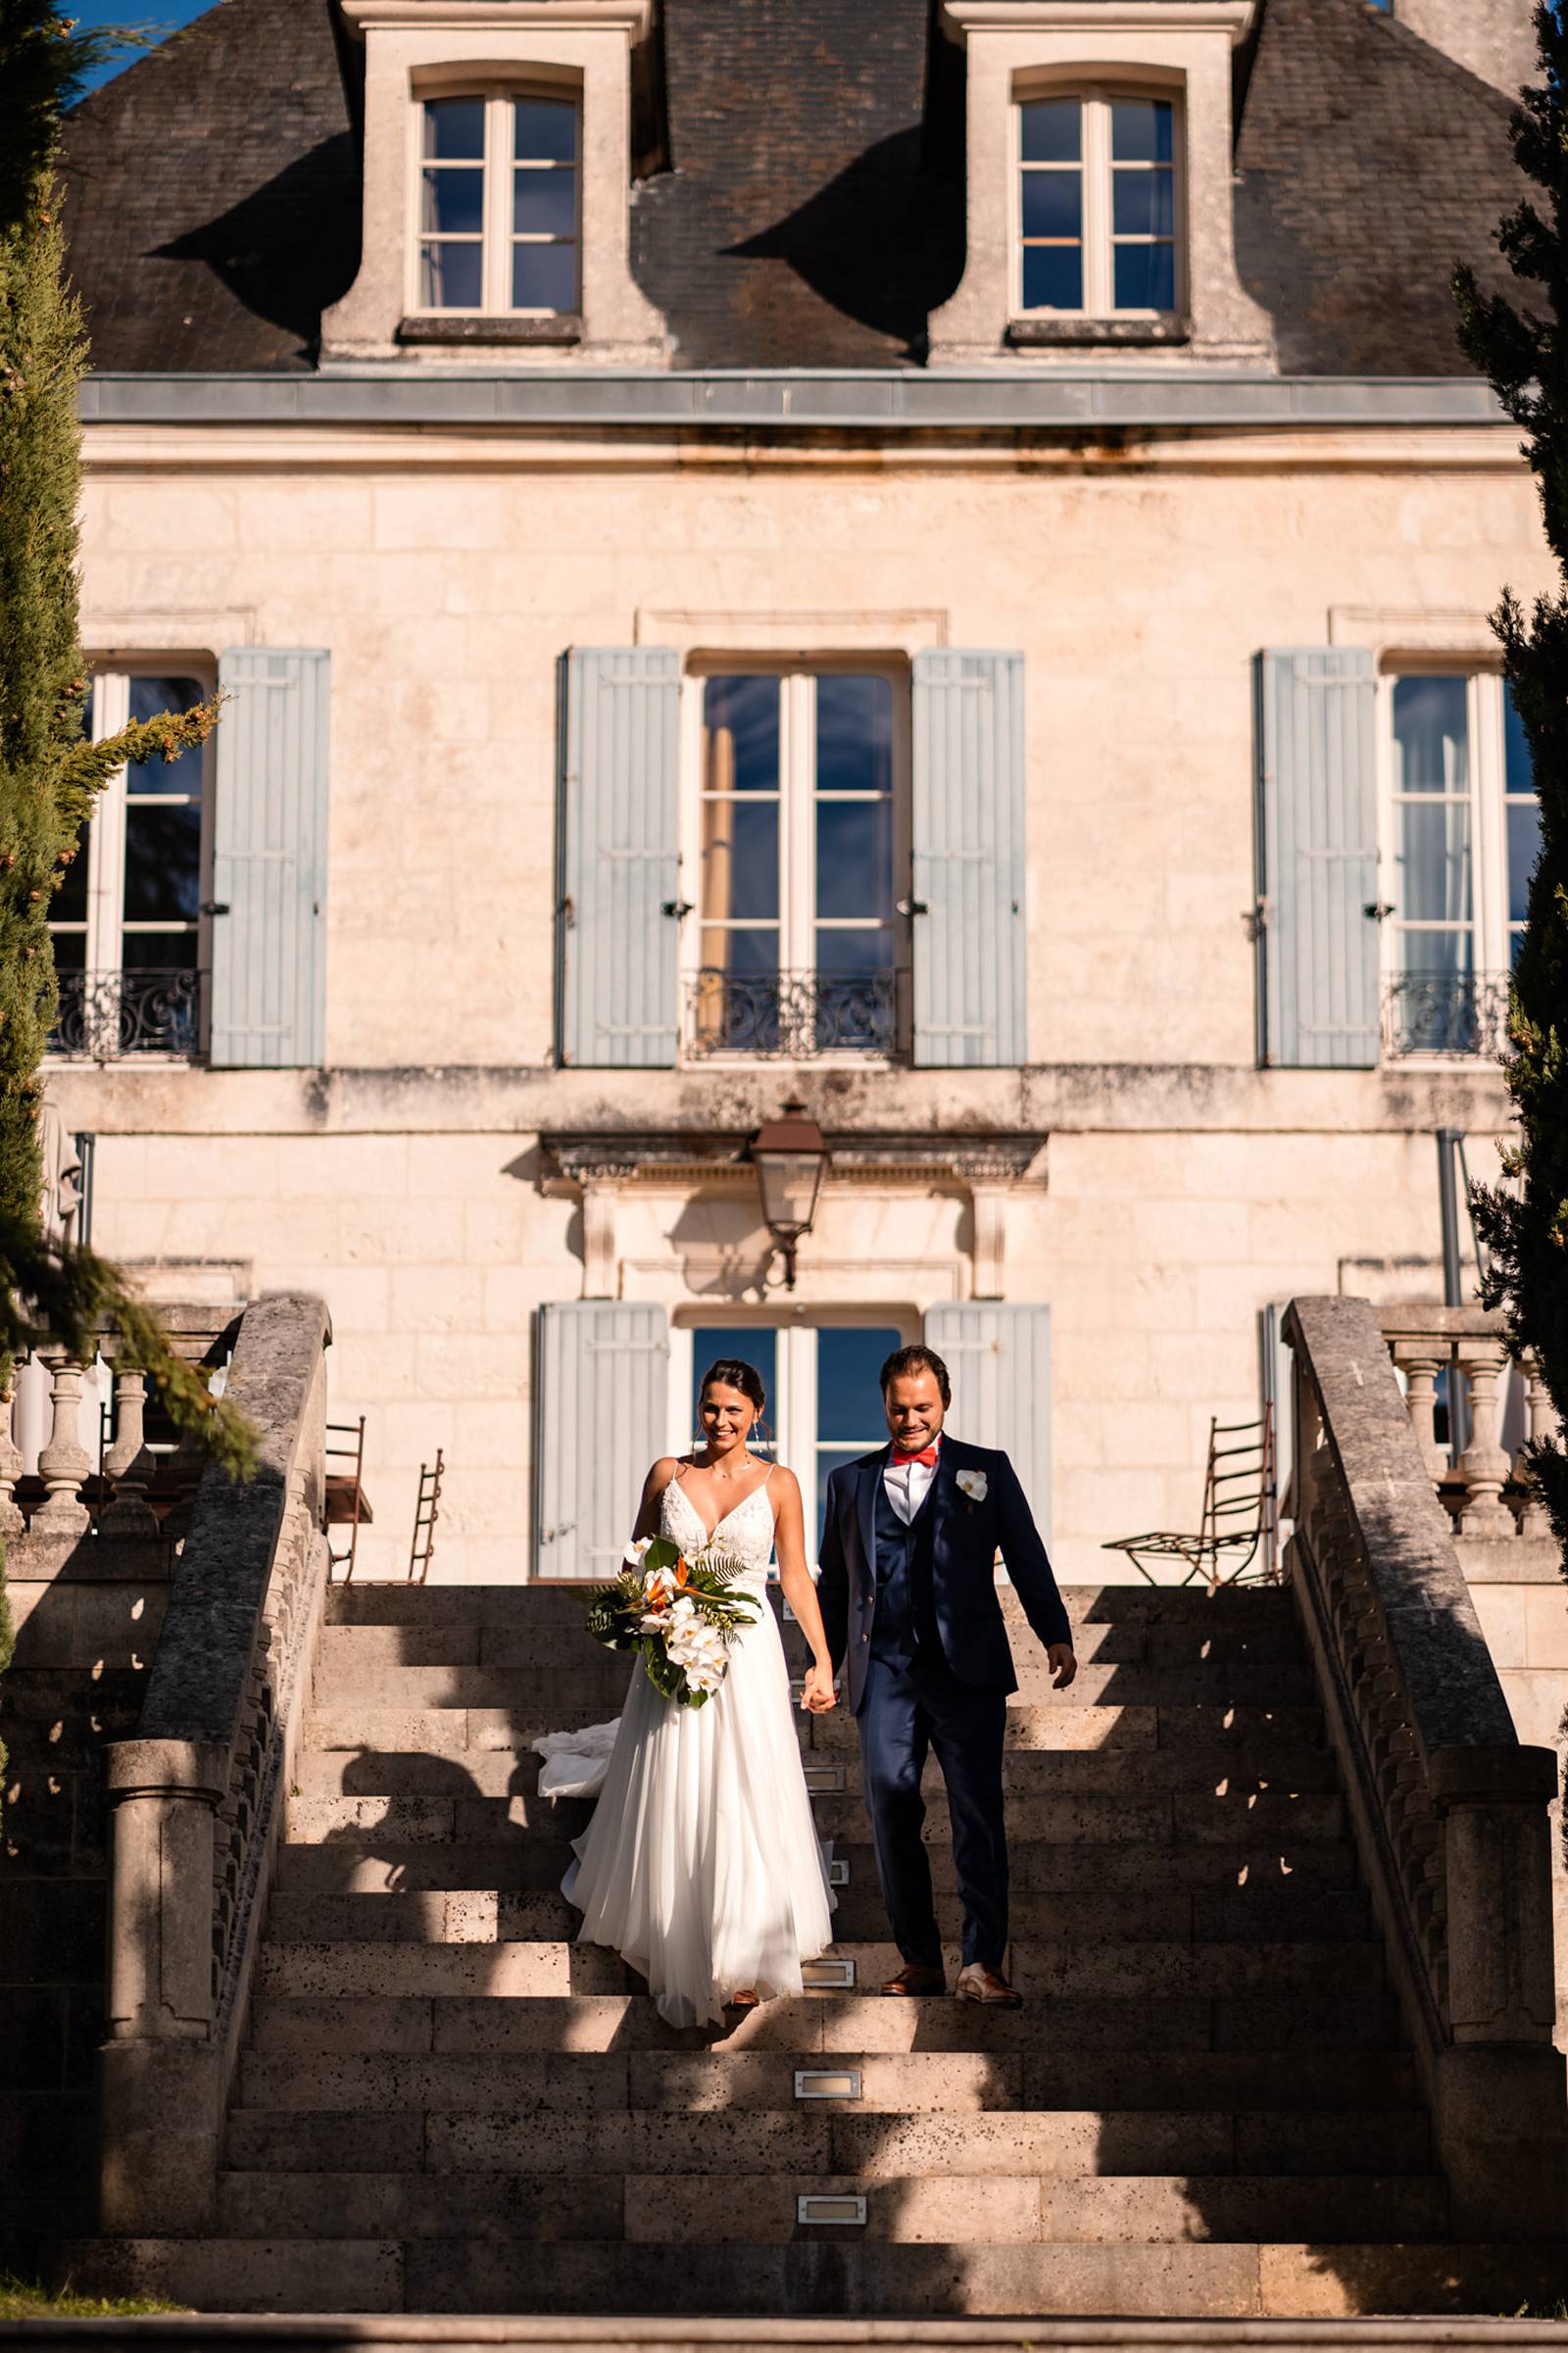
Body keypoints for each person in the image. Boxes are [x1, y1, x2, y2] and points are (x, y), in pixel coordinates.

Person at [536, 1358, 838, 2030]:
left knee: (743, 1790)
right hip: (672, 1643)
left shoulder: (780, 1483)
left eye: (734, 1409)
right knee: (678, 1784)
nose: (721, 1420)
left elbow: (794, 1577)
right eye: (710, 1407)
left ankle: (739, 1955)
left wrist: (820, 1659)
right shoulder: (668, 1473)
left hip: (747, 1652)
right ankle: (672, 1934)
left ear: (757, 1412)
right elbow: (635, 1559)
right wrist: (646, 1604)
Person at [815, 1343, 1078, 2008]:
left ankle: (982, 1960)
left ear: (945, 1402)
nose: (910, 1419)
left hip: (969, 1671)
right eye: (900, 1408)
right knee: (890, 1807)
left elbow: (1025, 1552)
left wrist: (1055, 1633)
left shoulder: (985, 1469)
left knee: (976, 1814)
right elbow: (835, 1581)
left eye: (923, 1407)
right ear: (885, 1405)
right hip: (884, 1669)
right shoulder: (849, 1482)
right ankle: (920, 1958)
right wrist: (823, 1659)